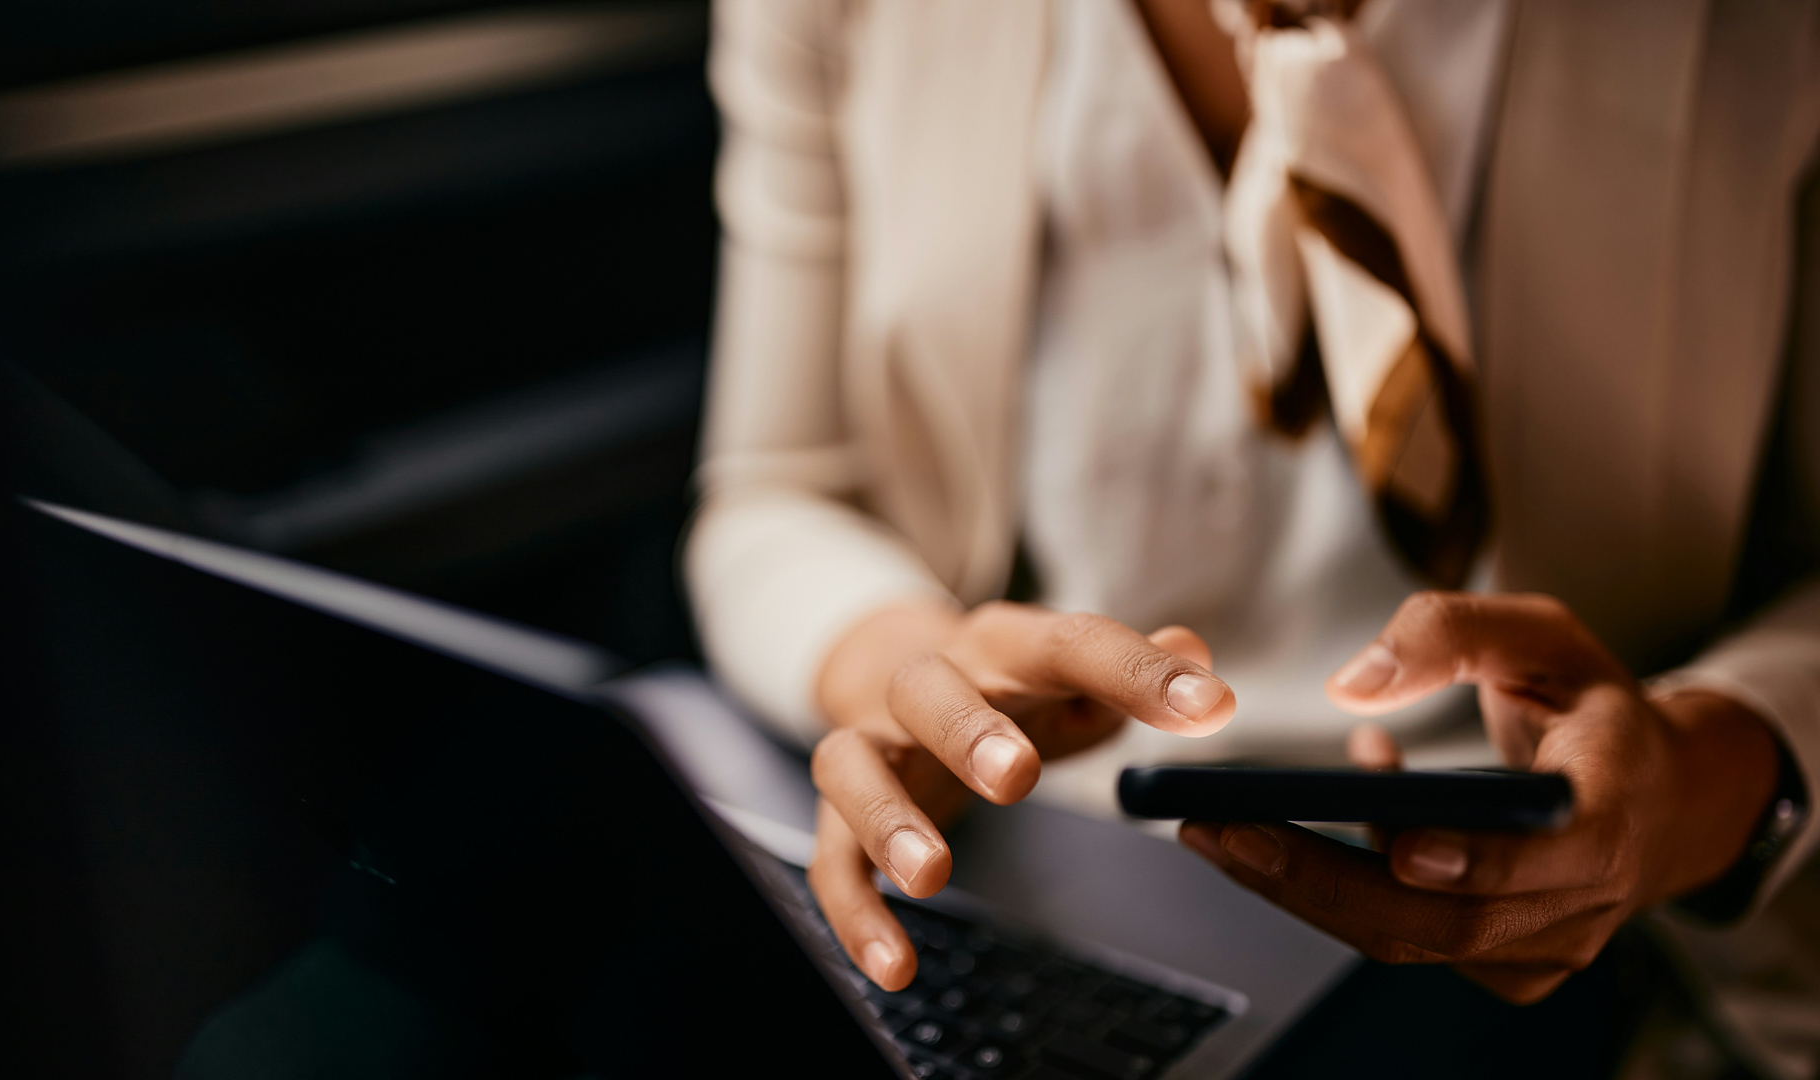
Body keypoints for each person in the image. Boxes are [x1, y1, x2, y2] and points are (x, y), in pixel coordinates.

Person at [686, 0, 1820, 1042]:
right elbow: (777, 490)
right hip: (1069, 878)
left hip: (1646, 956)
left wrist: (1702, 779)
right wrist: (908, 666)